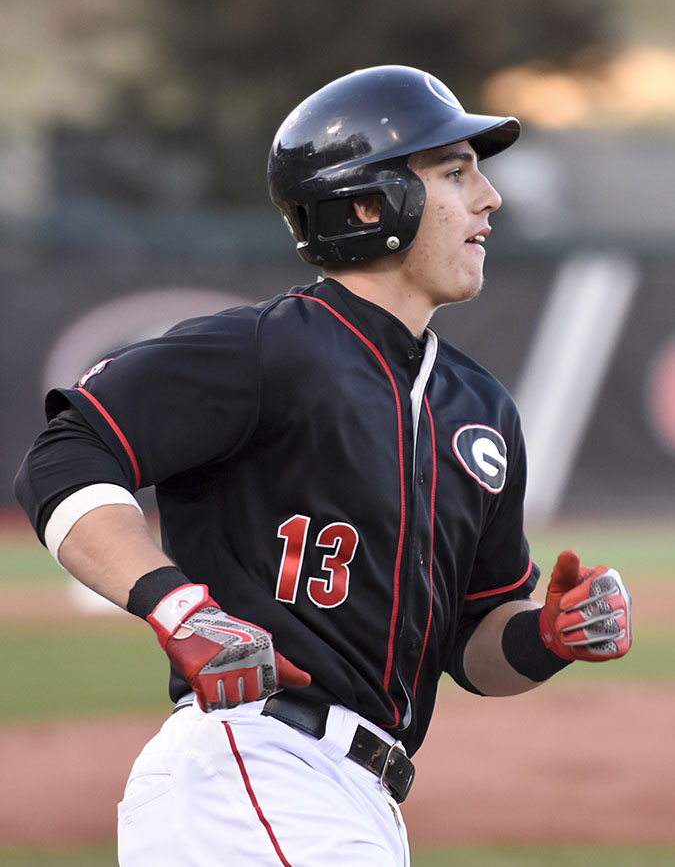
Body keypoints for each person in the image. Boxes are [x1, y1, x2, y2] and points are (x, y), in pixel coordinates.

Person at [14, 65, 632, 867]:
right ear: (371, 204)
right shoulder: (270, 349)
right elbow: (65, 454)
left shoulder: (479, 410)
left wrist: (549, 635)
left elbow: (476, 646)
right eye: (454, 172)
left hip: (356, 793)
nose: (489, 198)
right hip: (252, 767)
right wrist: (175, 607)